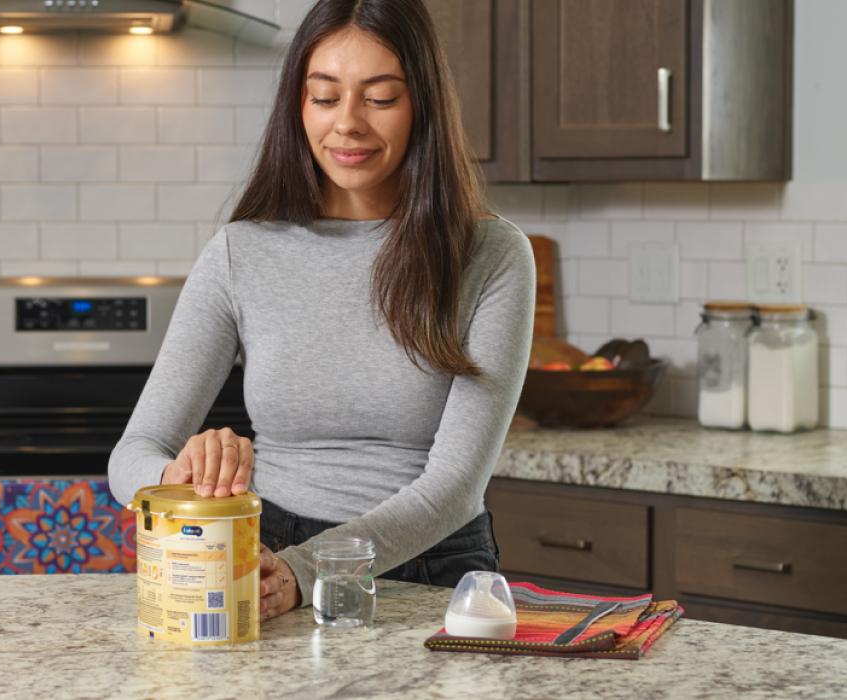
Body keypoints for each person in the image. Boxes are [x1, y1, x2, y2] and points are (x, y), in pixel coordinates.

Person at [108, 0, 535, 623]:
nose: (348, 124)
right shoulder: (241, 252)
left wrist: (309, 569)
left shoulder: (492, 256)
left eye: (381, 98)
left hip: (423, 567)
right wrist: (178, 475)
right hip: (264, 558)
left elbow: (455, 487)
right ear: (297, 106)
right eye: (325, 97)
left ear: (424, 107)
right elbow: (131, 454)